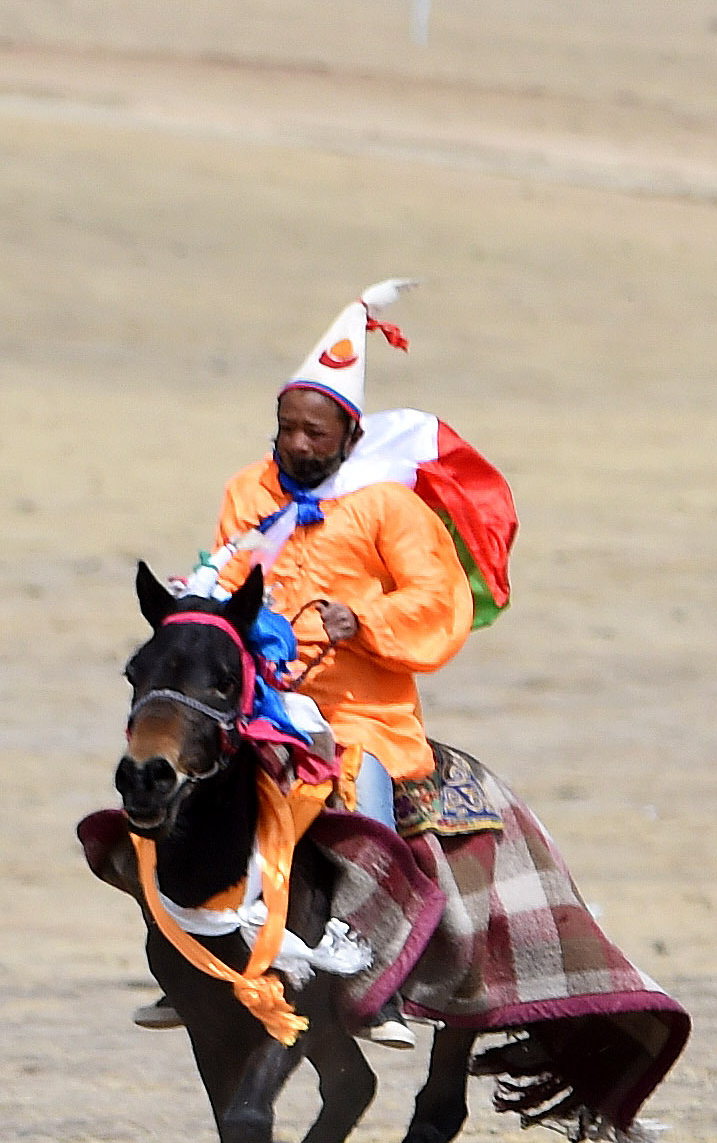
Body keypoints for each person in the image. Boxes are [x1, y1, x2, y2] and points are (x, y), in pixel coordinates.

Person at [133, 282, 473, 1045]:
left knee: (365, 809)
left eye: (316, 433)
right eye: (288, 429)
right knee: (179, 778)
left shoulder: (389, 506)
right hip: (261, 695)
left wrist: (368, 619)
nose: (299, 445)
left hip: (363, 712)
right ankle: (179, 963)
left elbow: (438, 597)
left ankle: (372, 977)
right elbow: (229, 576)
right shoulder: (246, 490)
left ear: (350, 435)